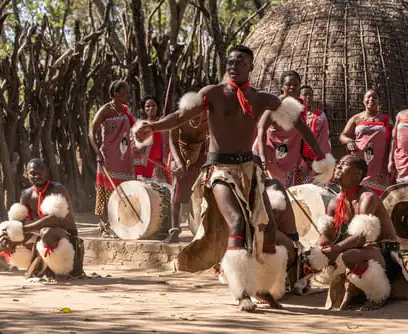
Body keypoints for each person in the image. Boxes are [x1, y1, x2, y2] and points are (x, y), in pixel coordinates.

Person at [134, 45, 335, 312]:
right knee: (238, 223)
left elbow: (297, 121)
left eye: (240, 61)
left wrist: (321, 156)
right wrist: (152, 127)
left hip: (250, 171)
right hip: (220, 171)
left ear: (251, 67)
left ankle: (265, 288)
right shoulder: (213, 93)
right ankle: (241, 292)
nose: (233, 65)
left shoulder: (260, 98)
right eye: (230, 61)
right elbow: (181, 115)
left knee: (269, 228)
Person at [304, 155, 407, 310]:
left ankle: (379, 295)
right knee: (321, 254)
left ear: (358, 173)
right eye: (338, 163)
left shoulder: (367, 198)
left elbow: (361, 237)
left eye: (344, 164)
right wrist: (318, 252)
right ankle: (356, 291)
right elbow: (328, 235)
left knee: (348, 255)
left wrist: (336, 249)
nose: (338, 167)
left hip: (385, 256)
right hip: (360, 251)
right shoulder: (335, 201)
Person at [0, 159, 84, 279]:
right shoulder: (27, 195)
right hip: (40, 234)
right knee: (8, 233)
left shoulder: (57, 189)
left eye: (40, 172)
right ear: (27, 174)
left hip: (65, 235)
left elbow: (53, 219)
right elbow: (20, 223)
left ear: (47, 172)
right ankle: (35, 266)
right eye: (33, 173)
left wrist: (24, 229)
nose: (37, 175)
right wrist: (10, 236)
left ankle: (61, 270)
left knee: (46, 232)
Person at [256, 72, 332, 186]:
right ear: (282, 87)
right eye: (288, 84)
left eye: (295, 85)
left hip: (290, 155)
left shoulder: (297, 107)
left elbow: (306, 133)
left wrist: (321, 156)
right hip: (269, 154)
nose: (292, 87)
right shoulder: (275, 105)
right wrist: (262, 156)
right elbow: (261, 128)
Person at [89, 80, 136, 237]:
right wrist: (97, 153)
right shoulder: (105, 110)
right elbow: (92, 132)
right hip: (108, 157)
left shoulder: (125, 111)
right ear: (116, 93)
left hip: (124, 158)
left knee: (123, 191)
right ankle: (105, 226)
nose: (128, 95)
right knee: (106, 191)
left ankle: (120, 224)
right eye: (125, 92)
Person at [165, 102, 209, 243]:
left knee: (204, 188)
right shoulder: (178, 118)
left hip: (201, 151)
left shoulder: (210, 118)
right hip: (181, 152)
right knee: (177, 190)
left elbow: (215, 139)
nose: (195, 119)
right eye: (191, 116)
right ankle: (174, 230)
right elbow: (172, 141)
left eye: (198, 117)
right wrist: (179, 162)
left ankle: (204, 230)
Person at [339, 89, 392, 195]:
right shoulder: (356, 118)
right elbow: (342, 136)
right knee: (356, 194)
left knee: (378, 197)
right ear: (363, 100)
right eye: (368, 97)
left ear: (379, 101)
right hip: (359, 159)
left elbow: (392, 140)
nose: (371, 99)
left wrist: (391, 160)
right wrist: (349, 141)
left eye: (374, 97)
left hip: (379, 163)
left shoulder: (386, 119)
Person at [133, 95, 171, 184]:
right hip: (145, 164)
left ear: (158, 107)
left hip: (160, 166)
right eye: (148, 106)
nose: (151, 108)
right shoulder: (140, 125)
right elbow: (135, 145)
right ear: (143, 109)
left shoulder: (163, 124)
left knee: (162, 192)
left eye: (154, 105)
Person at [299, 85, 332, 182]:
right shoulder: (295, 114)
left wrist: (318, 157)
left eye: (310, 95)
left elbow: (324, 138)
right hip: (297, 158)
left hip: (315, 158)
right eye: (305, 95)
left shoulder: (320, 116)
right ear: (299, 96)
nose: (308, 97)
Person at [389, 109, 408, 184]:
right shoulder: (400, 114)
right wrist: (390, 160)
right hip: (401, 159)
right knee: (402, 191)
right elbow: (393, 139)